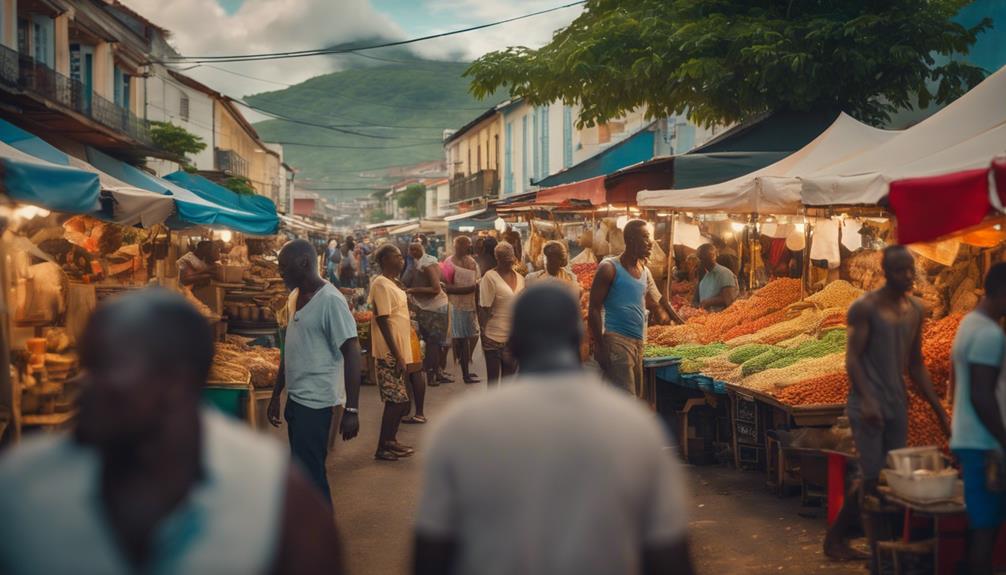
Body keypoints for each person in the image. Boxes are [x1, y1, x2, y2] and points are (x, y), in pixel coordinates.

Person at [0, 290, 344, 574]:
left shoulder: (272, 495)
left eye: (109, 368)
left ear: (174, 382)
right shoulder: (21, 487)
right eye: (89, 366)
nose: (85, 385)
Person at [413, 284, 695, 575]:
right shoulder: (635, 428)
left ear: (511, 347)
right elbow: (668, 557)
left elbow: (431, 555)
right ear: (582, 343)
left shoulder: (459, 428)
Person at [824, 245, 951, 562]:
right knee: (869, 474)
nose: (907, 276)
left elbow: (916, 363)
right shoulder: (865, 307)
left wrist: (939, 409)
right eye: (899, 270)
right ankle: (843, 539)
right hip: (866, 403)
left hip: (897, 402)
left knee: (889, 477)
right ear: (885, 271)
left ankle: (883, 548)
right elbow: (852, 360)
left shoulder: (917, 310)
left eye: (910, 269)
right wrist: (867, 400)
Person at [268, 240, 361, 504]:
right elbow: (291, 348)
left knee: (311, 477)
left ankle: (321, 535)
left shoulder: (331, 300)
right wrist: (277, 394)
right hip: (296, 401)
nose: (281, 273)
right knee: (302, 473)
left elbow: (352, 351)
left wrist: (352, 409)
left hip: (317, 404)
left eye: (284, 267)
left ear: (305, 263)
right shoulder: (294, 297)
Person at [950, 262, 1006, 575]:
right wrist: (1003, 439)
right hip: (984, 443)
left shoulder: (969, 323)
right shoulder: (990, 334)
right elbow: (981, 394)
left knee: (980, 526)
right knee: (986, 529)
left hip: (970, 437)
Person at [589, 220, 683, 396]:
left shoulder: (644, 270)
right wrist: (600, 346)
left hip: (639, 343)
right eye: (646, 237)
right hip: (617, 341)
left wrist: (676, 320)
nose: (651, 242)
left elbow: (658, 299)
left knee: (636, 398)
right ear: (631, 240)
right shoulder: (609, 268)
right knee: (627, 400)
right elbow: (593, 308)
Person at [369, 244, 417, 461]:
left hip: (401, 350)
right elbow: (383, 319)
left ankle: (391, 440)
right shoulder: (380, 284)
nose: (401, 260)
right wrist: (396, 353)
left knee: (402, 400)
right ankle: (383, 447)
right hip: (389, 352)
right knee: (395, 401)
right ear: (385, 260)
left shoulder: (392, 283)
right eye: (397, 257)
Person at [406, 242, 452, 389]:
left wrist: (413, 289)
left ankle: (432, 376)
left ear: (423, 248)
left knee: (433, 343)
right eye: (411, 248)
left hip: (436, 308)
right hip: (425, 308)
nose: (413, 251)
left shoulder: (428, 263)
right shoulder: (416, 263)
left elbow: (436, 288)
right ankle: (436, 373)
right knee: (432, 342)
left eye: (416, 248)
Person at [479, 242, 525, 385]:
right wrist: (483, 333)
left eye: (510, 258)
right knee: (493, 383)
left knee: (508, 383)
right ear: (497, 258)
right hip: (493, 336)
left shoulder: (521, 279)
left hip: (513, 337)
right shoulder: (490, 277)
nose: (509, 261)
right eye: (504, 259)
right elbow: (484, 308)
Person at [441, 235, 481, 384]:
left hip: (468, 306)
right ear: (457, 246)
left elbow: (476, 285)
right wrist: (468, 289)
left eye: (469, 244)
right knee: (451, 342)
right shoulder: (448, 263)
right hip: (453, 305)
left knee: (465, 341)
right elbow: (446, 287)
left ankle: (465, 373)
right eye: (466, 245)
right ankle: (442, 372)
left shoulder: (471, 262)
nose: (469, 247)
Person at [694, 243, 738, 312]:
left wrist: (710, 301)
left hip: (721, 319)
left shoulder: (724, 273)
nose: (701, 261)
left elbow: (730, 300)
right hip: (704, 318)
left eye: (704, 257)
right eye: (700, 258)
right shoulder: (704, 278)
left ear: (714, 256)